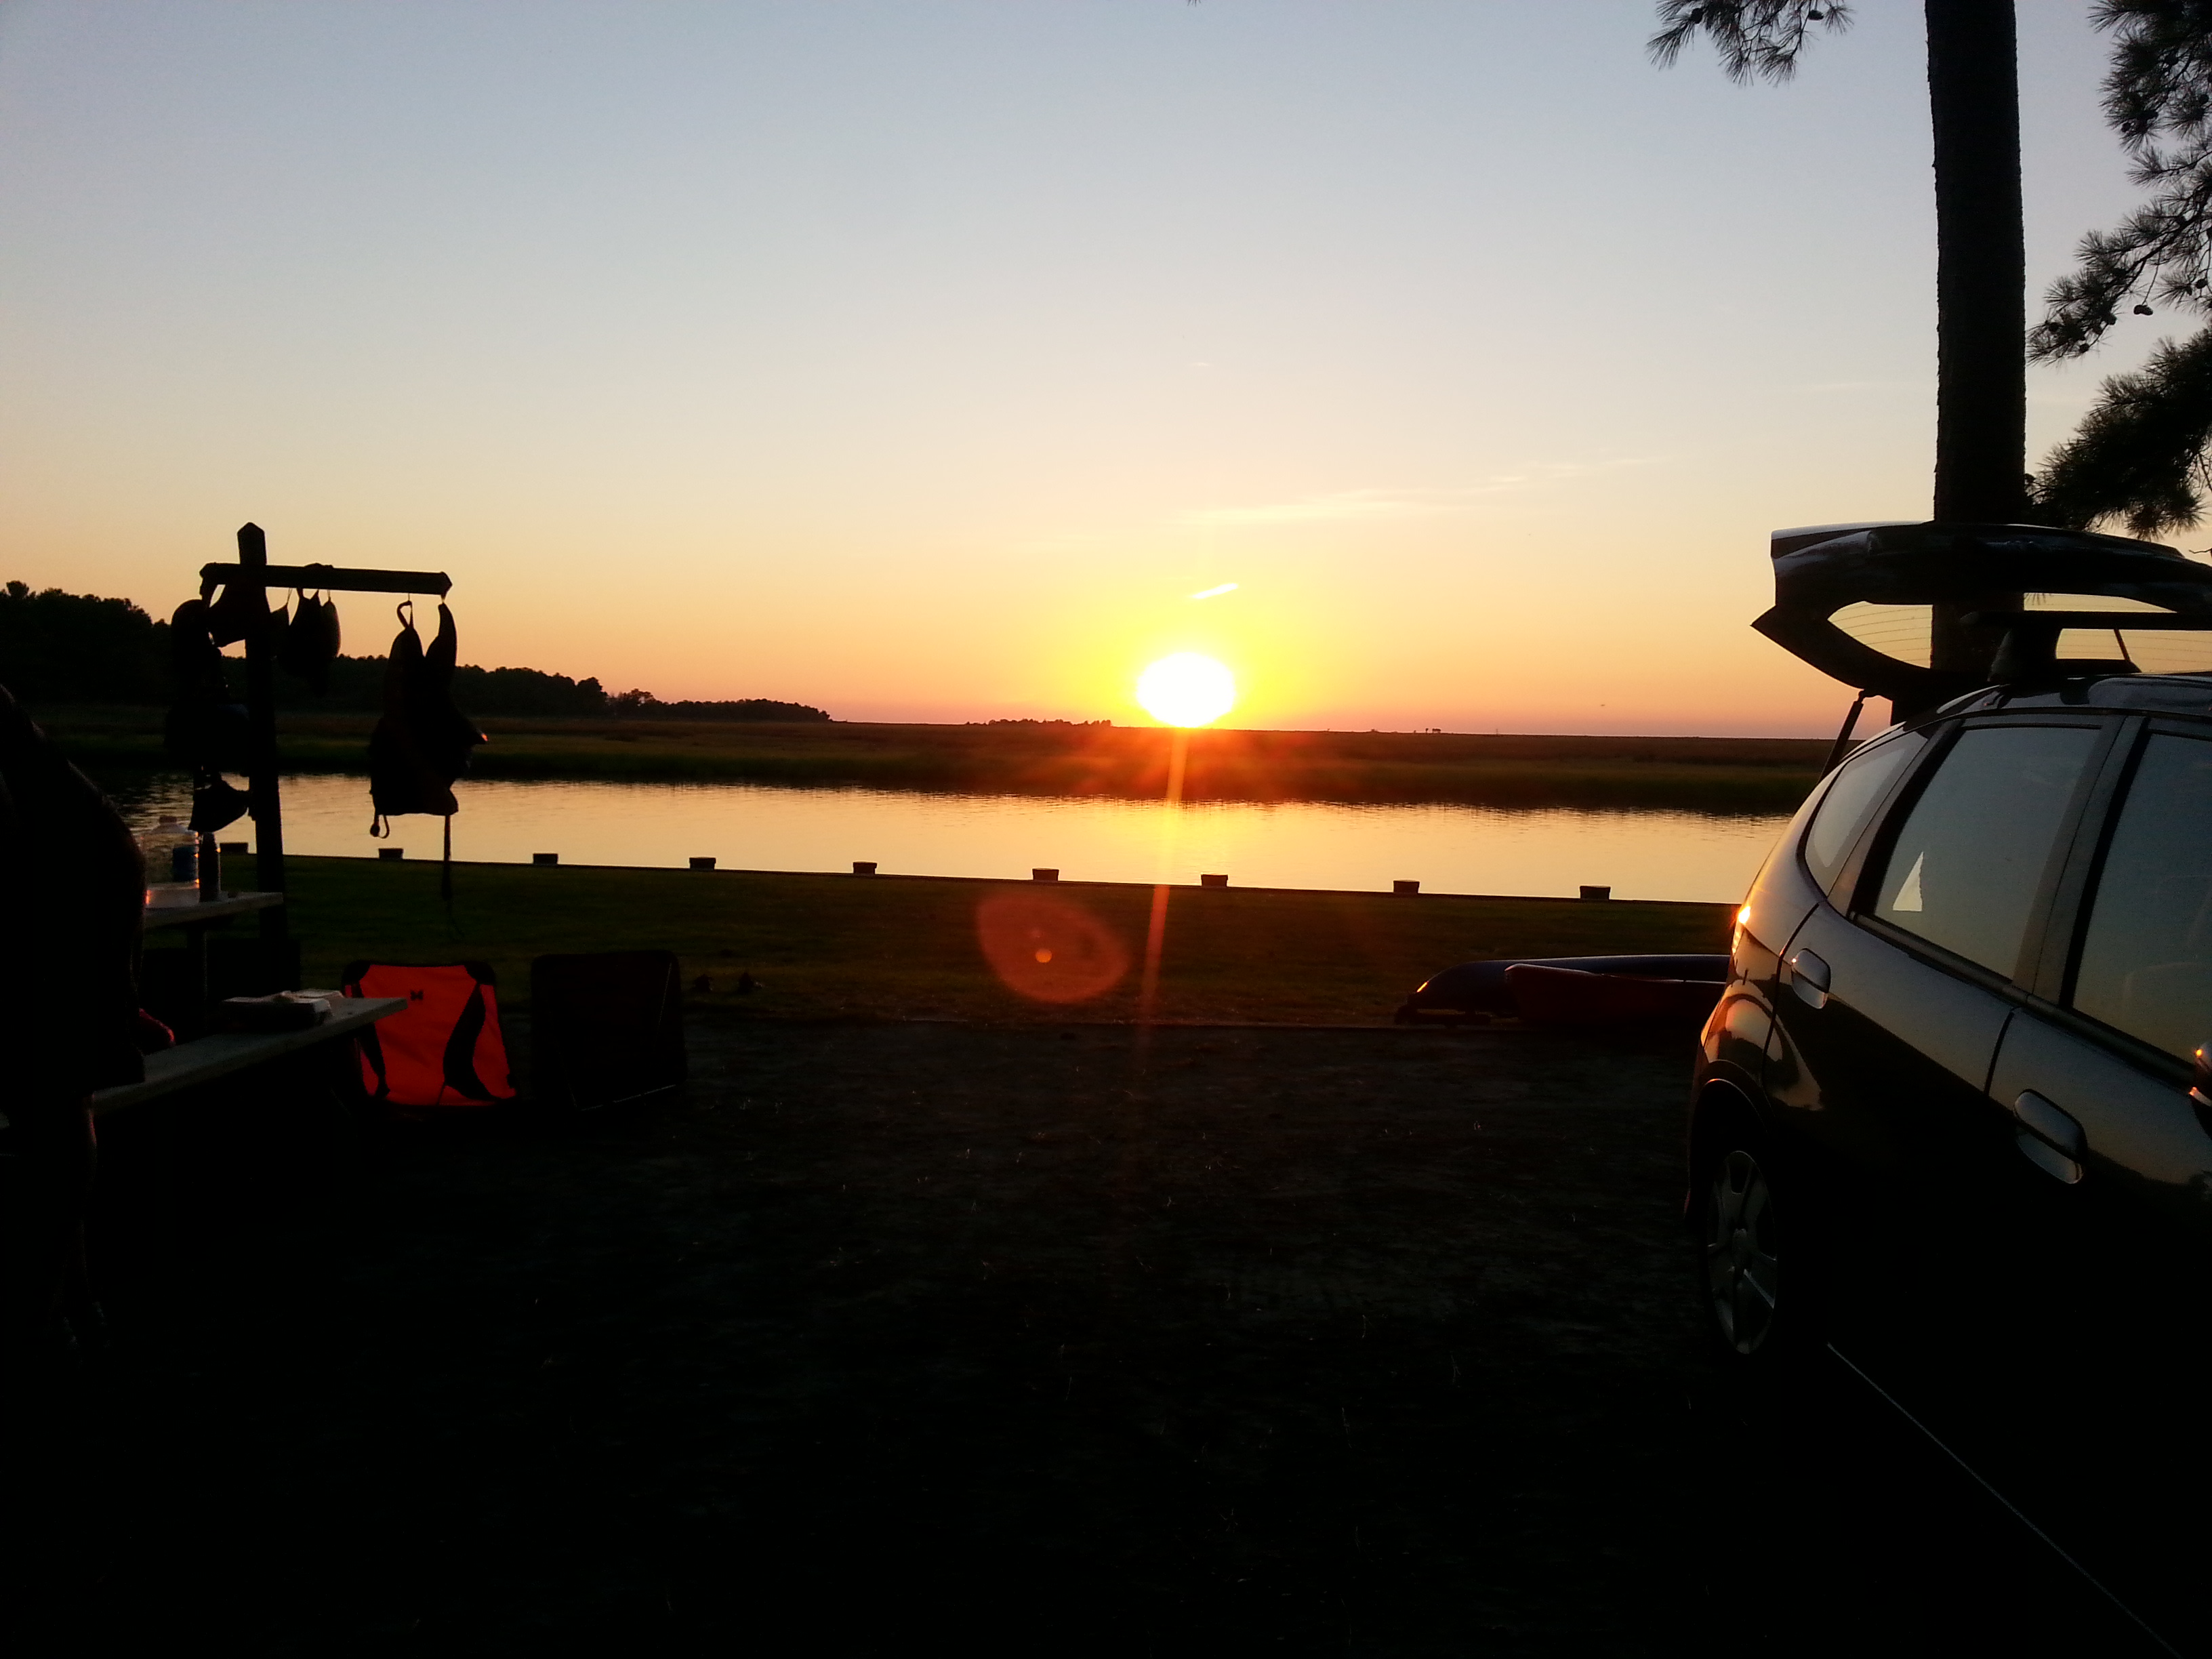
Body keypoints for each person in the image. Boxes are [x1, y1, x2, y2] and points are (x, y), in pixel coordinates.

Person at [0, 683, 147, 1378]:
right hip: (64, 876)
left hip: (72, 886)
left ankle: (40, 1314)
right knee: (52, 1109)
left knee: (52, 1104)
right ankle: (72, 1305)